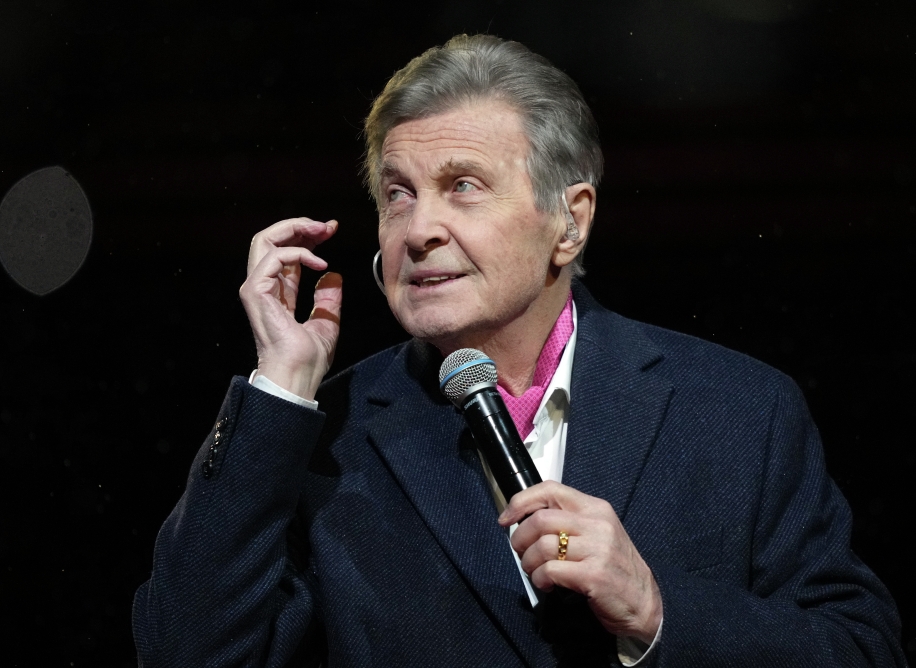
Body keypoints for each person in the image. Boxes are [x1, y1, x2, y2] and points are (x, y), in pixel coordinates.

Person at [132, 35, 905, 667]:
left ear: (570, 222)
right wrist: (279, 388)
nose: (419, 229)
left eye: (463, 185)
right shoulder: (323, 439)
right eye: (398, 193)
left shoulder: (738, 410)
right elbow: (183, 652)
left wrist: (656, 610)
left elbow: (861, 651)